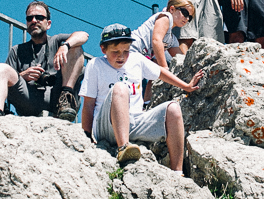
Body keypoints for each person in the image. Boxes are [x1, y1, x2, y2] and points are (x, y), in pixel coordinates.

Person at [79, 24, 204, 171]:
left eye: (126, 51)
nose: (121, 56)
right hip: (107, 126)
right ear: (103, 49)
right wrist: (86, 137)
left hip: (135, 122)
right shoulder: (96, 65)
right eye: (115, 52)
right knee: (120, 88)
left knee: (174, 109)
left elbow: (161, 73)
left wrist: (186, 86)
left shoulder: (136, 60)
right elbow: (88, 104)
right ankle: (123, 147)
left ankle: (177, 171)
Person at [0, 1, 88, 121]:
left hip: (58, 100)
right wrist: (23, 76)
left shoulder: (57, 41)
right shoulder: (17, 51)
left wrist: (65, 46)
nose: (34, 21)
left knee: (76, 46)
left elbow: (83, 35)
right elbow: (5, 84)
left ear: (48, 24)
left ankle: (67, 97)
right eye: (30, 18)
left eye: (39, 17)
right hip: (30, 102)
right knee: (0, 69)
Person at [130, 0, 194, 102]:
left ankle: (146, 102)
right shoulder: (165, 17)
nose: (187, 19)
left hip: (137, 60)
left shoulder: (171, 40)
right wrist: (164, 67)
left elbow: (181, 59)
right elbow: (156, 41)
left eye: (190, 18)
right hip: (131, 50)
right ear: (172, 9)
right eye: (185, 13)